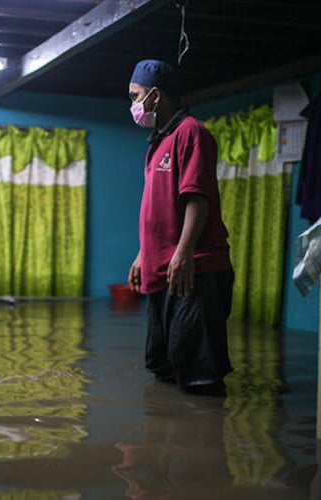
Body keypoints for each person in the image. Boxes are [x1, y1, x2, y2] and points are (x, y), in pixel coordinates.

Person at [126, 59, 234, 396]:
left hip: (193, 269)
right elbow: (159, 208)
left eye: (135, 96)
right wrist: (144, 253)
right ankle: (166, 445)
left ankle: (203, 444)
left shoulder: (191, 133)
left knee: (199, 376)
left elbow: (196, 198)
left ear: (155, 95)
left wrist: (184, 253)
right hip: (163, 268)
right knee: (164, 365)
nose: (132, 105)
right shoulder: (159, 141)